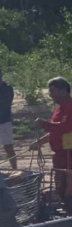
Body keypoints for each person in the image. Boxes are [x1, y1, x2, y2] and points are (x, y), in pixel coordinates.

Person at [30, 77, 72, 206]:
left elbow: (67, 127)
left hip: (69, 153)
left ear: (63, 90)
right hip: (60, 154)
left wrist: (45, 124)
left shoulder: (70, 107)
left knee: (68, 186)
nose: (50, 94)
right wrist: (40, 142)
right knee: (60, 184)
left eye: (53, 91)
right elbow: (55, 131)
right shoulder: (59, 110)